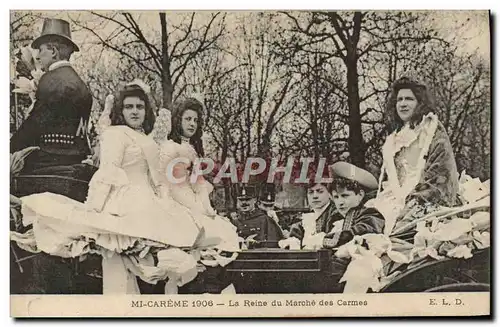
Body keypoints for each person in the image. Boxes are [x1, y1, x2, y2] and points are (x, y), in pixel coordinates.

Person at [11, 83, 205, 294]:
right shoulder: (115, 134)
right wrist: (94, 207)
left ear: (146, 111)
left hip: (148, 203)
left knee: (162, 254)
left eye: (139, 107)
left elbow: (158, 178)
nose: (134, 111)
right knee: (114, 253)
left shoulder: (146, 140)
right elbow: (108, 172)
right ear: (120, 111)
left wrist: (165, 200)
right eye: (128, 107)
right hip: (123, 202)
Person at [157, 97, 240, 293]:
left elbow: (198, 183)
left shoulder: (192, 149)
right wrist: (196, 207)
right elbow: (170, 184)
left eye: (195, 120)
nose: (192, 124)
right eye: (187, 119)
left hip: (191, 201)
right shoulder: (170, 147)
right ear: (178, 120)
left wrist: (207, 207)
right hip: (175, 202)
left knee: (220, 231)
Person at [366, 75, 460, 235]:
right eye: (399, 99)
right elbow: (390, 181)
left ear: (420, 103)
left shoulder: (431, 130)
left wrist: (413, 203)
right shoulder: (393, 139)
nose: (402, 104)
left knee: (400, 229)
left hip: (424, 198)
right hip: (393, 199)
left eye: (409, 99)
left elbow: (440, 175)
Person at [10, 18, 93, 179]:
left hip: (47, 162)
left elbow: (34, 125)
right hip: (77, 160)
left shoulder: (50, 80)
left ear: (53, 51)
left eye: (41, 50)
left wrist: (10, 147)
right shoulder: (82, 85)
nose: (38, 57)